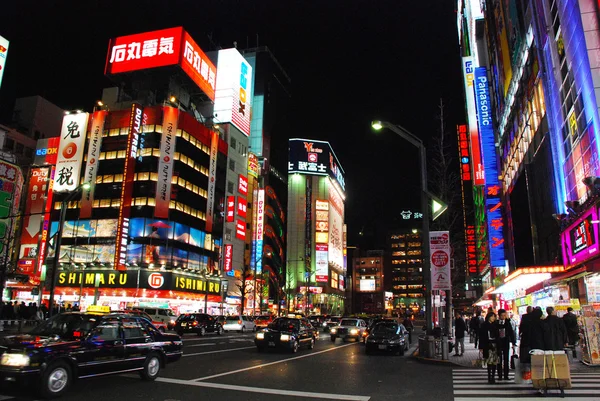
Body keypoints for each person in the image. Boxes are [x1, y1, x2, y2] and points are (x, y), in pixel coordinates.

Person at [479, 312, 500, 384]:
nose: (494, 318)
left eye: (494, 317)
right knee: (489, 361)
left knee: (494, 361)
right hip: (487, 345)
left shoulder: (496, 325)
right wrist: (481, 347)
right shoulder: (484, 325)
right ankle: (489, 376)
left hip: (495, 345)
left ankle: (493, 376)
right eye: (492, 317)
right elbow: (481, 336)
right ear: (489, 317)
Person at [496, 309, 517, 381]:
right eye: (502, 315)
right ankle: (499, 375)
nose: (503, 317)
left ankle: (506, 375)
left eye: (505, 315)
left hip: (506, 342)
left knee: (506, 359)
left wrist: (514, 343)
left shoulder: (508, 323)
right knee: (499, 359)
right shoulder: (496, 323)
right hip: (498, 343)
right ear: (499, 316)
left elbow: (511, 332)